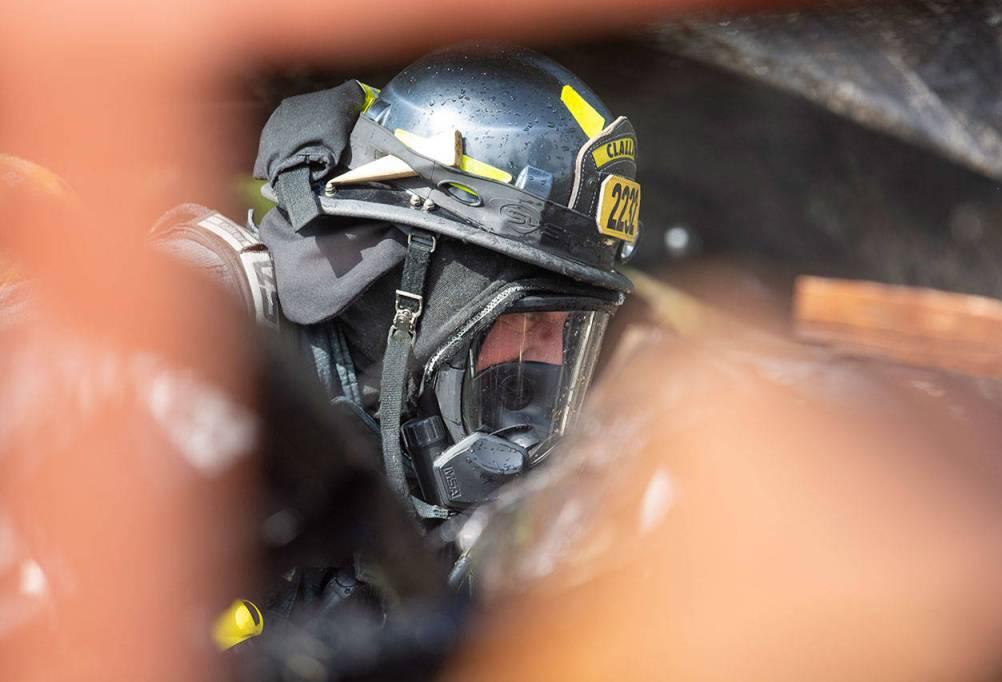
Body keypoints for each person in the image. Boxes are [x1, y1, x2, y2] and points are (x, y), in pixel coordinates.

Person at [151, 44, 641, 655]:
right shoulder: (177, 344)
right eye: (529, 320)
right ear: (417, 288)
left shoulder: (407, 431)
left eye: (567, 333)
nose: (546, 360)